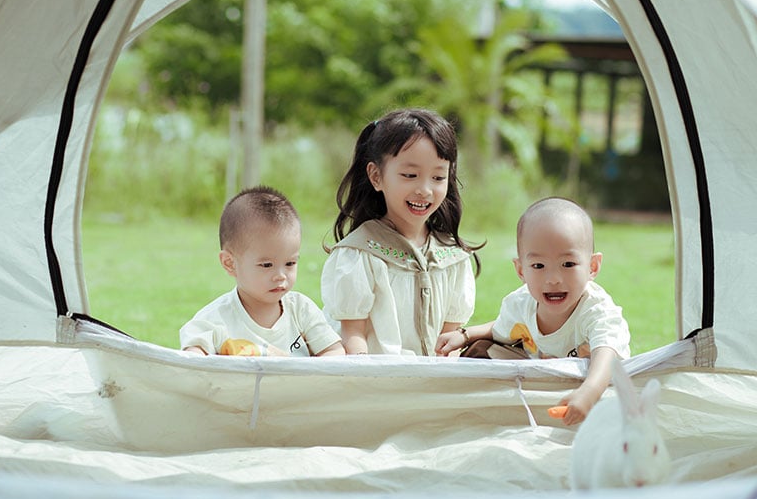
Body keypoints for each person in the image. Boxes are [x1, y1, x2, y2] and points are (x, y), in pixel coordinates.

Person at [435, 197, 630, 425]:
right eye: (538, 266)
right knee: (479, 350)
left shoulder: (597, 310)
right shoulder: (521, 303)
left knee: (610, 398)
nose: (553, 279)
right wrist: (465, 335)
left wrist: (590, 392)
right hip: (541, 380)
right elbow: (501, 328)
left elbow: (607, 353)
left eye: (568, 264)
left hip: (591, 384)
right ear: (521, 270)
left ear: (592, 266)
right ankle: (487, 411)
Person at [321, 108, 482, 356]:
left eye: (438, 177)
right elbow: (353, 336)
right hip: (375, 376)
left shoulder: (452, 257)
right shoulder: (360, 254)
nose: (425, 190)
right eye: (410, 175)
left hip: (435, 377)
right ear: (376, 176)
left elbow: (449, 340)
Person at [181, 185, 345, 357]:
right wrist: (197, 352)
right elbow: (192, 359)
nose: (280, 276)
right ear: (230, 263)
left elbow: (334, 351)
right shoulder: (214, 320)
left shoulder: (301, 310)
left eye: (290, 263)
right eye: (267, 265)